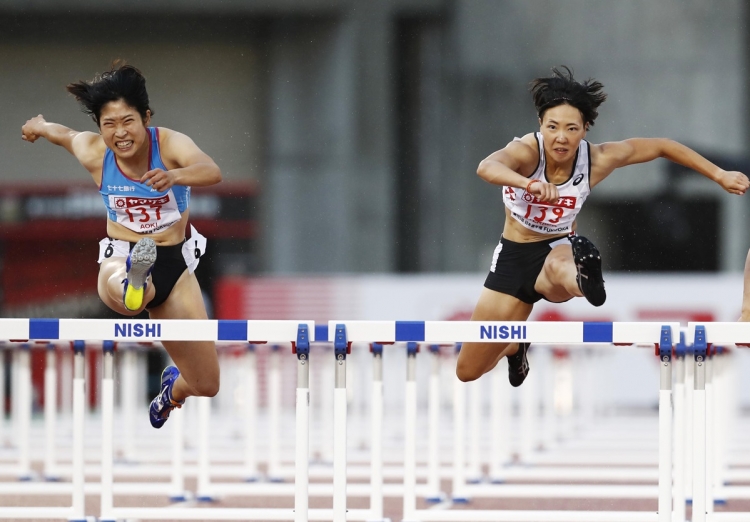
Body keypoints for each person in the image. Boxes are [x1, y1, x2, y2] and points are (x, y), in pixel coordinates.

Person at [457, 66, 749, 387]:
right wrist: (527, 184)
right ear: (540, 125)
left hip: (557, 247)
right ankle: (515, 345)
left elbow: (663, 146)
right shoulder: (527, 151)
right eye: (552, 127)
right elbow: (487, 167)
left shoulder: (597, 159)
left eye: (571, 128)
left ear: (585, 128)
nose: (561, 137)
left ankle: (585, 279)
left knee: (560, 268)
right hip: (512, 255)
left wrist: (719, 174)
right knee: (468, 371)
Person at [21, 63, 222, 428]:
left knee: (207, 383)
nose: (120, 134)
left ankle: (170, 392)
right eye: (108, 124)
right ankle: (133, 283)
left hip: (175, 264)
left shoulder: (171, 144)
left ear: (145, 116)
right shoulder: (95, 152)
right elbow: (63, 133)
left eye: (128, 121)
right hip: (123, 251)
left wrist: (173, 175)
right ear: (99, 126)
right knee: (131, 295)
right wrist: (38, 126)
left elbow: (211, 170)